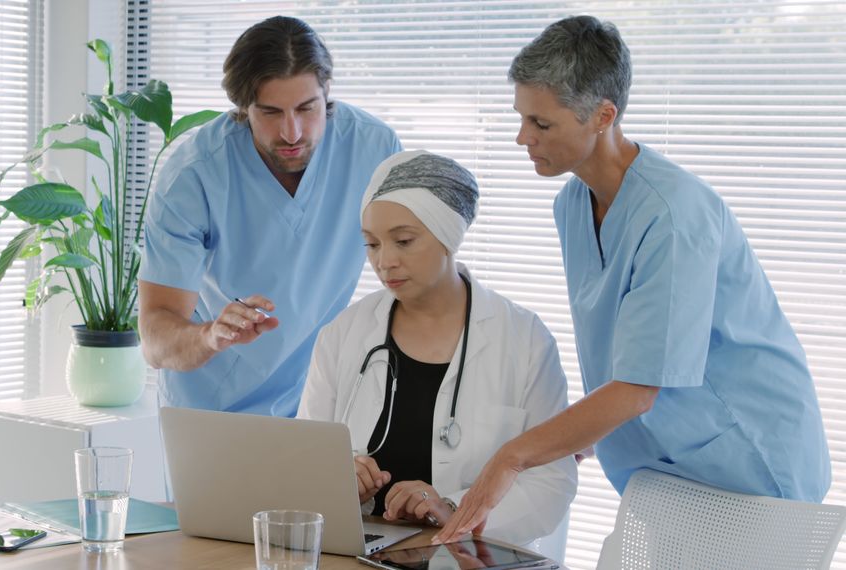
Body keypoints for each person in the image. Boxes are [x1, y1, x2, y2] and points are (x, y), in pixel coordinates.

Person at [435, 15, 831, 543]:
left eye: (542, 124)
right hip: (665, 463)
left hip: (750, 459)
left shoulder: (673, 214)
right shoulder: (573, 205)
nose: (521, 137)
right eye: (522, 117)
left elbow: (640, 387)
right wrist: (583, 427)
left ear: (603, 115)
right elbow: (624, 345)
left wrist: (513, 457)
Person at [297, 150, 576, 550]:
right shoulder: (343, 334)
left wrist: (456, 508)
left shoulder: (524, 339)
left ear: (448, 236)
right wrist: (338, 484)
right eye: (372, 244)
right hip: (358, 555)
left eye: (404, 241)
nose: (384, 261)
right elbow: (305, 461)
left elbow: (552, 482)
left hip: (469, 557)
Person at [138, 16, 402, 416]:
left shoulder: (373, 147)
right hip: (213, 410)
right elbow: (156, 338)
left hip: (321, 401)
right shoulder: (194, 174)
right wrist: (212, 335)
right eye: (271, 113)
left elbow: (408, 266)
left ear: (327, 91)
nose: (292, 132)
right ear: (243, 108)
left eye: (307, 108)